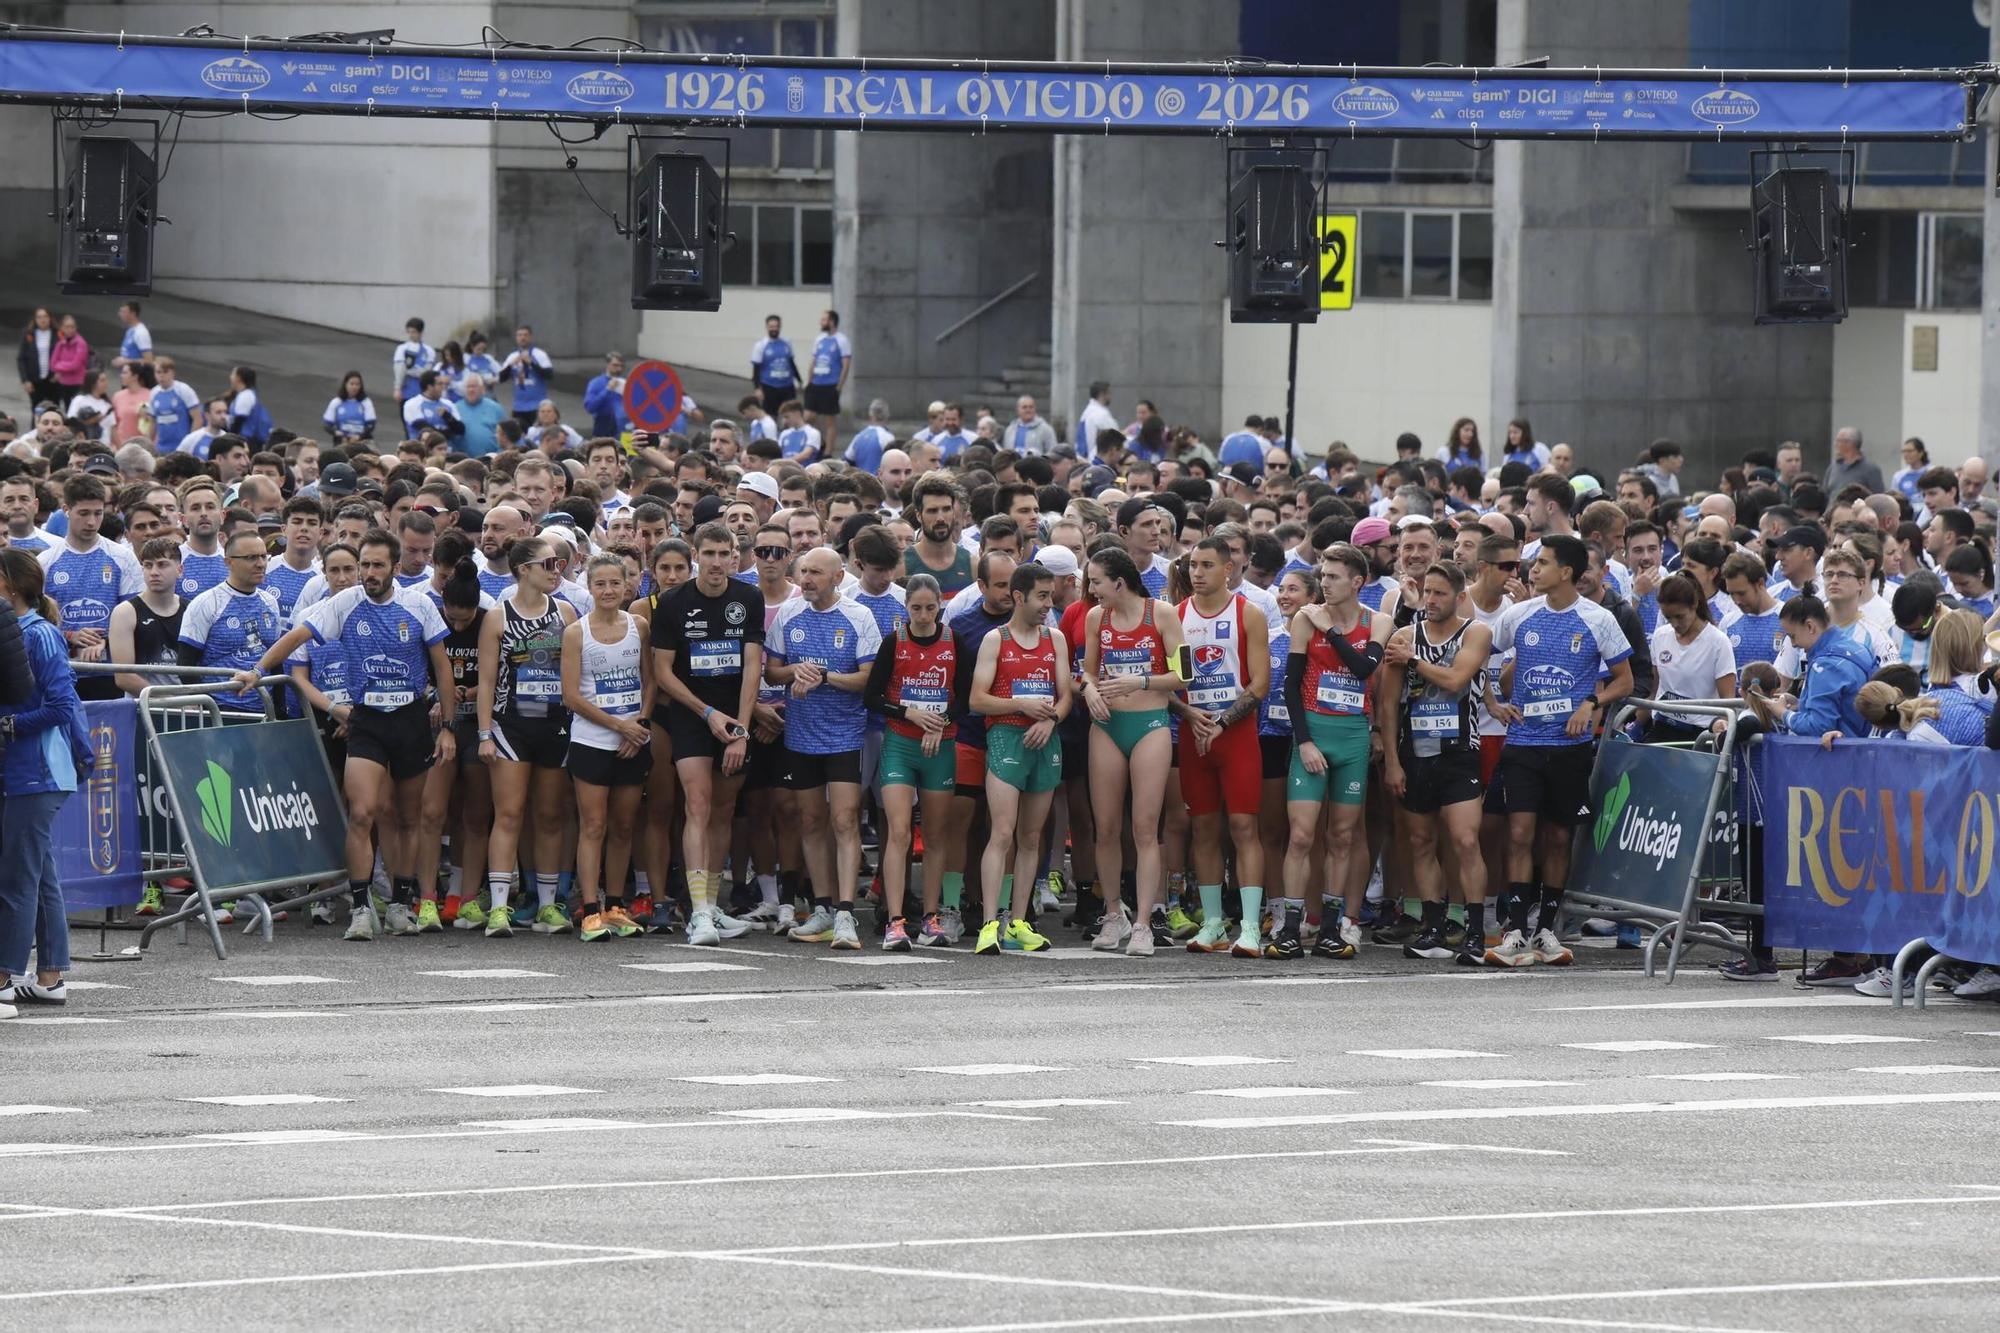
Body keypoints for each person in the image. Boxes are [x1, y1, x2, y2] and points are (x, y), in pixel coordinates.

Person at [247, 530, 455, 938]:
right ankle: (361, 908)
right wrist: (257, 671)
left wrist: (448, 726)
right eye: (365, 565)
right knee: (362, 813)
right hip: (367, 720)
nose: (369, 573)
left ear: (396, 568)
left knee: (408, 817)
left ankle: (399, 903)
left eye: (378, 565)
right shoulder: (344, 603)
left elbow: (442, 669)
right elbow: (295, 638)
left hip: (411, 719)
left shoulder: (419, 605)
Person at [1485, 533, 1635, 968]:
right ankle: (1514, 930)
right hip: (1523, 744)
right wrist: (1494, 701)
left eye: (1542, 562)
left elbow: (1625, 680)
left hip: (1570, 748)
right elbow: (1483, 657)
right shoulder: (1519, 615)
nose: (1532, 569)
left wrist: (1592, 703)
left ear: (1566, 572)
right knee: (1518, 834)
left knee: (1557, 837)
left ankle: (1547, 929)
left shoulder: (1598, 619)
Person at [652, 523, 763, 945]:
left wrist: (740, 729)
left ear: (735, 556)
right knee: (696, 804)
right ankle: (697, 912)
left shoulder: (748, 597)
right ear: (696, 555)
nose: (717, 562)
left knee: (722, 809)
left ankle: (712, 906)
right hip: (691, 714)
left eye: (725, 553)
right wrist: (708, 713)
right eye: (710, 553)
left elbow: (752, 666)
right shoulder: (674, 601)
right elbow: (662, 672)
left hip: (735, 718)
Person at [766, 547, 881, 950]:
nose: (807, 579)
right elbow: (771, 670)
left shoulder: (858, 616)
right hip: (801, 733)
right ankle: (823, 908)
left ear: (837, 576)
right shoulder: (789, 614)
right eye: (803, 572)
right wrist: (794, 671)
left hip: (845, 734)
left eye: (816, 572)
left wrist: (824, 676)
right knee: (810, 821)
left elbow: (868, 678)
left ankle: (847, 913)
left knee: (845, 819)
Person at [1380, 561, 1493, 966]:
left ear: (1460, 597)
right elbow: (1388, 704)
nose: (1430, 600)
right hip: (1417, 752)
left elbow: (1457, 679)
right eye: (1427, 592)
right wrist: (1392, 760)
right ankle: (1432, 927)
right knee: (1420, 842)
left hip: (1461, 751)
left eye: (1440, 593)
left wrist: (1412, 661)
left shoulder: (1475, 632)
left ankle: (1475, 931)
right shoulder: (1405, 635)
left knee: (1465, 840)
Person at [1285, 543, 1390, 960]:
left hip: (1352, 736)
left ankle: (1332, 927)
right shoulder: (1303, 620)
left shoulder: (1377, 621)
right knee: (1301, 835)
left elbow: (1364, 669)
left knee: (1343, 836)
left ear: (1357, 581)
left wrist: (1329, 630)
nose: (1324, 583)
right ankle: (1292, 927)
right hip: (1314, 732)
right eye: (1322, 576)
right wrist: (1305, 741)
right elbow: (1290, 687)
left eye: (1333, 576)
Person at [1079, 547, 1185, 953]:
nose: (1091, 589)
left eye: (1096, 582)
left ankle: (1143, 921)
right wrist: (1088, 689)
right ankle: (1114, 913)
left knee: (1144, 827)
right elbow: (1087, 670)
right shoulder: (1095, 617)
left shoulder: (1162, 614)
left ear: (1118, 583)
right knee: (1104, 827)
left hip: (1150, 724)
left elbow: (1184, 672)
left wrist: (1139, 682)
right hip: (1107, 725)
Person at [475, 535, 578, 937]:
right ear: (523, 570)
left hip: (555, 724)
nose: (557, 571)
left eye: (559, 564)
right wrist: (485, 733)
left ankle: (549, 905)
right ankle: (500, 906)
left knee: (550, 815)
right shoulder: (498, 616)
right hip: (510, 725)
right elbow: (485, 682)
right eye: (549, 564)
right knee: (510, 813)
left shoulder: (566, 612)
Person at [968, 561, 1071, 955]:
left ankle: (1020, 921)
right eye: (1042, 596)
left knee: (1032, 838)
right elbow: (977, 700)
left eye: (1051, 595)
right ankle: (990, 923)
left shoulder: (1055, 639)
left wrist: (1051, 722)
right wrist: (1020, 704)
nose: (1049, 603)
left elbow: (1065, 696)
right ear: (1018, 597)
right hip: (1007, 738)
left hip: (1045, 740)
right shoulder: (996, 639)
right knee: (1003, 832)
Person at [1175, 537, 1270, 957]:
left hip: (1236, 735)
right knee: (1203, 828)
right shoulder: (1177, 616)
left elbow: (1261, 684)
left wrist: (1224, 721)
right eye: (1193, 564)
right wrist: (1191, 716)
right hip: (1195, 733)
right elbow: (1173, 682)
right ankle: (1213, 922)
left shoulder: (1247, 613)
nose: (1197, 572)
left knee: (1245, 827)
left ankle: (1250, 926)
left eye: (1207, 565)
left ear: (1228, 569)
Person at [0, 548, 84, 1015]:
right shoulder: (24, 631)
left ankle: (4, 978)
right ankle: (50, 977)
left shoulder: (42, 636)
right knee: (41, 875)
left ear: (10, 586)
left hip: (39, 771)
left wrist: (10, 727)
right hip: (24, 770)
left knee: (15, 878)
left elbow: (60, 706)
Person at [561, 553, 652, 941]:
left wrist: (640, 725)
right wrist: (619, 726)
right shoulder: (576, 633)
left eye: (615, 583)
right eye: (601, 584)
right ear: (590, 587)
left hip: (634, 741)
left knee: (624, 825)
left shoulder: (640, 626)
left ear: (626, 585)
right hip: (592, 740)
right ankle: (591, 910)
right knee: (593, 825)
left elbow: (651, 682)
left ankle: (616, 905)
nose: (609, 590)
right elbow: (571, 696)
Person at [865, 573, 959, 950]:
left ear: (940, 608)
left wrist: (942, 723)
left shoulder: (954, 643)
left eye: (930, 608)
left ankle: (932, 918)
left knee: (935, 835)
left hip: (940, 749)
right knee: (900, 832)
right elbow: (872, 697)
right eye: (915, 608)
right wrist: (909, 713)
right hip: (901, 746)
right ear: (905, 608)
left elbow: (964, 696)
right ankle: (895, 919)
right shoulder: (895, 641)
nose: (923, 616)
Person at [38, 474, 142, 699]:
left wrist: (106, 641)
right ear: (66, 510)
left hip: (110, 673)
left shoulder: (123, 558)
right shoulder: (45, 561)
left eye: (98, 513)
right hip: (61, 673)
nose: (92, 522)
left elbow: (136, 616)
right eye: (83, 513)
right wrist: (69, 636)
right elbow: (36, 622)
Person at [1639, 573, 1737, 742]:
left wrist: (1721, 730)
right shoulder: (1660, 636)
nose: (1675, 624)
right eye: (1668, 618)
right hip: (1662, 728)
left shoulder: (1718, 643)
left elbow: (1727, 701)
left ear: (1695, 605)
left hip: (1700, 735)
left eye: (1680, 617)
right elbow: (1654, 691)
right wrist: (1636, 726)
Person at [805, 310, 852, 456]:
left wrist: (839, 385)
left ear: (832, 321)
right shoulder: (820, 339)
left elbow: (846, 364)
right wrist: (809, 381)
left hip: (830, 385)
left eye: (824, 319)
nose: (821, 322)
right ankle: (820, 442)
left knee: (829, 420)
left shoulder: (841, 340)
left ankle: (828, 452)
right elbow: (813, 361)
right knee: (808, 417)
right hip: (816, 384)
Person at [501, 326, 555, 428]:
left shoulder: (540, 354)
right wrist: (510, 365)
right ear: (516, 338)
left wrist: (532, 363)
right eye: (519, 335)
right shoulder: (512, 356)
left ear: (531, 337)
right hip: (518, 407)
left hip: (538, 406)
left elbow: (549, 375)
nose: (522, 338)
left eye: (525, 335)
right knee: (520, 438)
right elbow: (501, 378)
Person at [750, 313, 800, 417]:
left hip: (787, 387)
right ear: (767, 327)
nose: (774, 329)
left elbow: (791, 363)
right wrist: (757, 388)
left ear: (780, 327)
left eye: (776, 326)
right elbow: (756, 369)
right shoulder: (760, 345)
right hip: (769, 387)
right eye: (771, 327)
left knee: (790, 416)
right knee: (770, 417)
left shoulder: (787, 343)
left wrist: (799, 380)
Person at [149, 355, 201, 453]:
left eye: (165, 372)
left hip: (182, 448)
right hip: (161, 448)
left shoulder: (183, 390)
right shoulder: (153, 393)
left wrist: (191, 443)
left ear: (172, 372)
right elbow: (152, 422)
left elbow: (197, 418)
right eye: (158, 372)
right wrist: (148, 443)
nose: (161, 375)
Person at [584, 353, 631, 440]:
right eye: (615, 365)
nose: (619, 369)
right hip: (603, 425)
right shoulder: (596, 383)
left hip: (624, 427)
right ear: (607, 365)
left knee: (625, 453)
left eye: (621, 366)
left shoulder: (627, 383)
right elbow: (590, 407)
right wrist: (607, 390)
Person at [17, 307, 56, 408]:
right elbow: (21, 358)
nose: (42, 319)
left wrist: (59, 373)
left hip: (53, 380)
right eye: (39, 317)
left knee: (53, 408)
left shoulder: (57, 334)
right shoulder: (28, 334)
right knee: (36, 409)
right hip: (34, 380)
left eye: (45, 316)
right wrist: (25, 380)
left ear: (50, 318)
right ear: (35, 319)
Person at [324, 371, 378, 443]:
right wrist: (338, 434)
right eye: (351, 384)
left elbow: (371, 425)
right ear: (345, 384)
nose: (354, 387)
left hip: (362, 441)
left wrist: (359, 436)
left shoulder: (366, 402)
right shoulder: (336, 402)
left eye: (357, 384)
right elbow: (327, 425)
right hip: (342, 441)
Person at [392, 318, 434, 402]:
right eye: (409, 332)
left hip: (422, 393)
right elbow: (399, 369)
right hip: (405, 392)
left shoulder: (429, 351)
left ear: (420, 332)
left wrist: (408, 370)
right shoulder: (402, 348)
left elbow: (426, 373)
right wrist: (397, 389)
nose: (411, 335)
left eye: (413, 332)